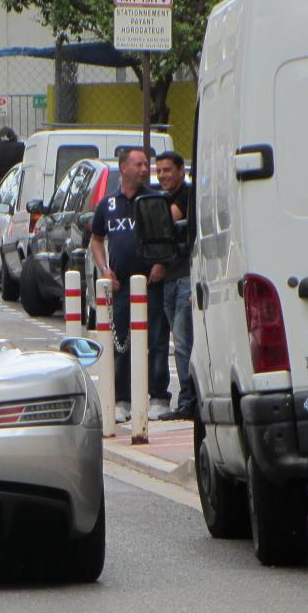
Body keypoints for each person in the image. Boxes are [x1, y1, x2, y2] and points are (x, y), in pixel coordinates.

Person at [89, 147, 172, 423]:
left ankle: (159, 397)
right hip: (121, 286)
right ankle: (122, 400)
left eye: (146, 165)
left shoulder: (154, 199)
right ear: (123, 168)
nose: (145, 169)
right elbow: (97, 239)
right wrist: (105, 269)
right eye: (139, 164)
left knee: (157, 340)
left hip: (151, 283)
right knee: (121, 343)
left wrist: (160, 262)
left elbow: (166, 236)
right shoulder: (108, 204)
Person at [154, 151, 196, 420]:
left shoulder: (186, 195)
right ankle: (187, 397)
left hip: (184, 277)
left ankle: (189, 400)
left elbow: (164, 221)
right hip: (169, 278)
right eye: (158, 171)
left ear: (182, 171)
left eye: (167, 170)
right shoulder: (162, 198)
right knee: (178, 340)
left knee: (183, 342)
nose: (162, 175)